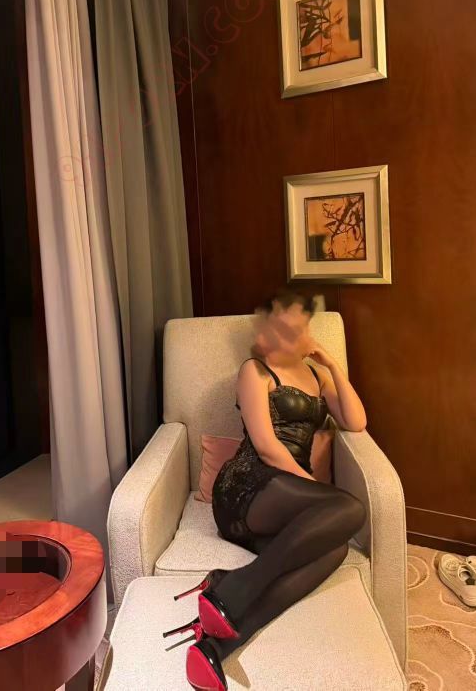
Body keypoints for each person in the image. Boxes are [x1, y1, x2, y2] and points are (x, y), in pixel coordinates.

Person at [163, 290, 368, 691]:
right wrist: (316, 495)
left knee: (336, 549)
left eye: (300, 326)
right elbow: (267, 447)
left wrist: (332, 365)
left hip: (287, 499)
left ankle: (217, 643)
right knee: (350, 511)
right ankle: (234, 587)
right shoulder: (254, 371)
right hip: (247, 486)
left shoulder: (319, 376)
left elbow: (356, 421)